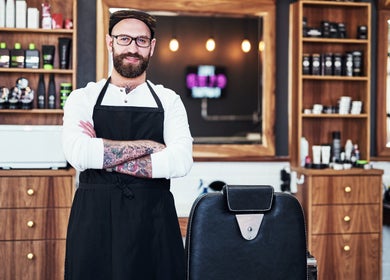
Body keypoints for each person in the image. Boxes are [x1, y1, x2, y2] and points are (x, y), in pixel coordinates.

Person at [62, 10, 193, 280]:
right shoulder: (82, 98)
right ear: (111, 43)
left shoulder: (169, 101)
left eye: (141, 41)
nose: (132, 48)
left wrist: (104, 155)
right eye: (124, 39)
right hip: (93, 220)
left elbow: (180, 161)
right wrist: (149, 146)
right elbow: (80, 154)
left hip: (153, 221)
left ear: (152, 47)